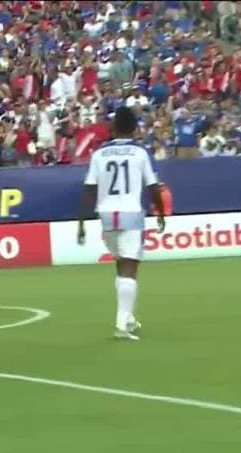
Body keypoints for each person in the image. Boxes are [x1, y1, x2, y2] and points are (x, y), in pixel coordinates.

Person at [77, 106, 166, 341]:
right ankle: (121, 324)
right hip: (131, 214)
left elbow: (89, 188)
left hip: (106, 215)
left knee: (120, 264)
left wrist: (81, 221)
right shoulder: (139, 153)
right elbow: (153, 186)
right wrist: (161, 212)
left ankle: (127, 318)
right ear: (135, 129)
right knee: (130, 267)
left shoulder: (99, 153)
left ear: (113, 128)